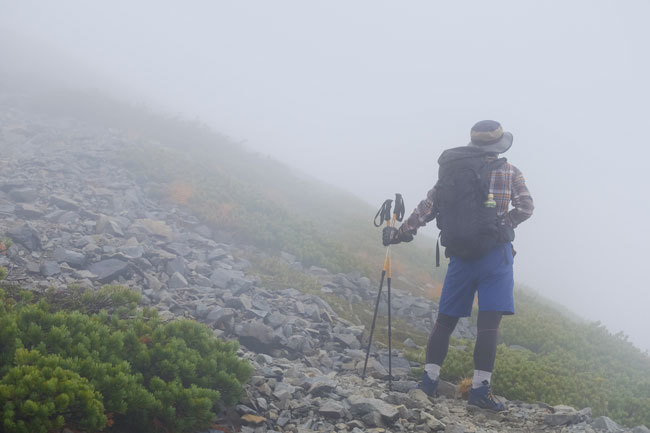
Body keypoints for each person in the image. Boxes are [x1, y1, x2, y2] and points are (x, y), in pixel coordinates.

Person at [383, 120, 534, 411]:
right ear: (498, 145)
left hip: (461, 256)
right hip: (495, 257)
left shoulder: (452, 171)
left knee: (445, 320)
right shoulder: (510, 171)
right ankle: (480, 391)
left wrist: (401, 233)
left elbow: (427, 208)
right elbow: (526, 207)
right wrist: (501, 225)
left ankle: (428, 382)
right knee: (489, 324)